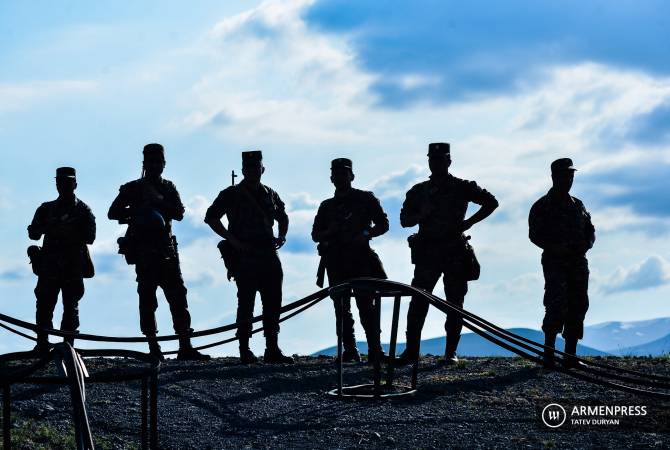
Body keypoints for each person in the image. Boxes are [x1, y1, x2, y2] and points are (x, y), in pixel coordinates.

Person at [398, 143, 498, 365]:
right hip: (427, 253)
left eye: (441, 159)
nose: (436, 163)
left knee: (455, 303)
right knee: (418, 300)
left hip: (454, 251)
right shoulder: (418, 191)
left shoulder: (462, 186)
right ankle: (411, 351)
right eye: (433, 160)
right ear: (429, 162)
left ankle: (450, 352)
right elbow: (404, 220)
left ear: (449, 162)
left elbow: (491, 202)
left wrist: (468, 223)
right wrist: (420, 215)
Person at [108, 143, 209, 361]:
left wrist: (158, 202)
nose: (154, 166)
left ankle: (185, 345)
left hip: (166, 251)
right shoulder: (133, 188)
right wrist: (135, 213)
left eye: (158, 162)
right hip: (144, 252)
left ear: (163, 164)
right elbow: (113, 212)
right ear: (144, 164)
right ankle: (153, 346)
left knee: (178, 297)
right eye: (150, 162)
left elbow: (180, 213)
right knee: (147, 299)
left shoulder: (168, 188)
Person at [204, 150, 294, 364]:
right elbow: (211, 217)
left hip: (268, 254)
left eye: (257, 167)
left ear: (262, 169)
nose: (253, 171)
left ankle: (272, 348)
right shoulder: (231, 193)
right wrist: (232, 240)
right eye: (249, 168)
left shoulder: (270, 193)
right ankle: (244, 349)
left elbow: (283, 216)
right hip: (245, 254)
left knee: (273, 301)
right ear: (243, 170)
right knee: (246, 302)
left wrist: (282, 236)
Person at [312, 158, 389, 363]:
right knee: (341, 309)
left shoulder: (366, 199)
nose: (340, 177)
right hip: (336, 261)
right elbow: (315, 234)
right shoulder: (326, 206)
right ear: (331, 178)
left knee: (366, 306)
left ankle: (375, 349)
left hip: (361, 259)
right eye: (336, 174)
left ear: (351, 176)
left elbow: (383, 224)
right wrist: (330, 232)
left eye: (344, 174)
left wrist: (366, 233)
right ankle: (350, 350)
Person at [528, 158, 595, 368]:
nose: (568, 179)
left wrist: (586, 245)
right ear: (554, 177)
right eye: (565, 175)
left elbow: (590, 230)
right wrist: (555, 247)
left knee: (578, 305)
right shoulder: (542, 205)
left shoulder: (578, 204)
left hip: (578, 263)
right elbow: (534, 234)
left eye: (571, 176)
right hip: (555, 262)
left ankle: (570, 356)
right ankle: (548, 354)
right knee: (556, 304)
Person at [28, 167, 96, 351]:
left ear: (75, 184)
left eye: (68, 182)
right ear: (56, 184)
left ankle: (68, 346)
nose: (64, 186)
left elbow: (90, 236)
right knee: (44, 303)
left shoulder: (83, 210)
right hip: (50, 265)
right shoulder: (46, 209)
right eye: (60, 182)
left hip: (72, 266)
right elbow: (33, 234)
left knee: (71, 307)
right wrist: (44, 228)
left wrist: (67, 232)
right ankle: (42, 343)